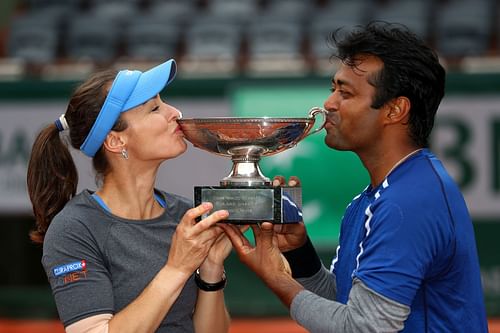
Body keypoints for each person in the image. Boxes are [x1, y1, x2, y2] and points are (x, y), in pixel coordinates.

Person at [220, 22, 488, 332]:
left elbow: (364, 327)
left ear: (395, 110)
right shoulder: (377, 196)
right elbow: (347, 304)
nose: (329, 104)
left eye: (345, 93)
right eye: (333, 88)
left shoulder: (408, 202)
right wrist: (299, 253)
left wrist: (277, 279)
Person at [26, 59, 233, 333]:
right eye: (154, 108)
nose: (175, 112)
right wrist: (177, 268)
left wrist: (211, 269)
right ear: (115, 141)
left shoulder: (186, 215)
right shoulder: (74, 229)